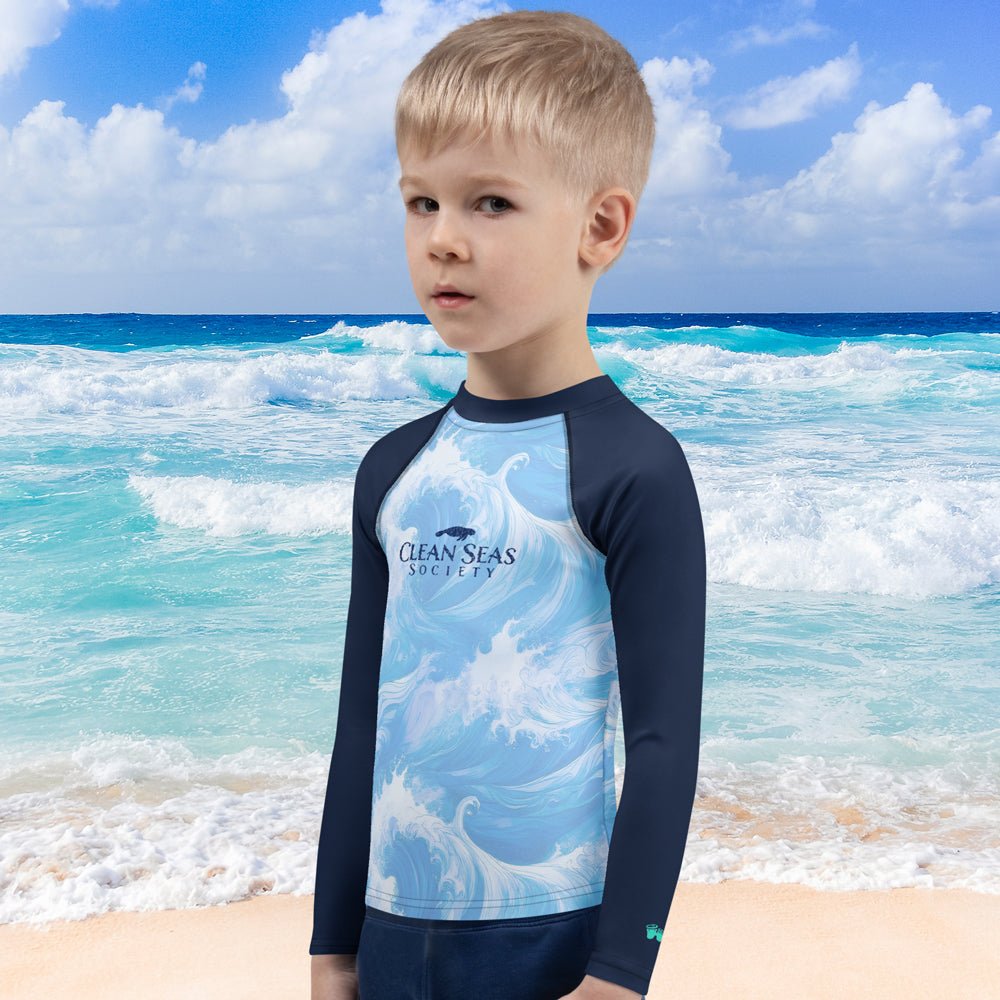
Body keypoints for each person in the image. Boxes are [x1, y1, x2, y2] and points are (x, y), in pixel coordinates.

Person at [310, 10, 706, 1000]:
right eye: (419, 202)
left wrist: (625, 968)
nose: (442, 240)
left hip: (554, 946)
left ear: (599, 226)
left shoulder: (633, 469)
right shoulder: (392, 471)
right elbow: (362, 723)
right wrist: (330, 946)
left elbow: (663, 747)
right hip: (392, 939)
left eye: (488, 202)